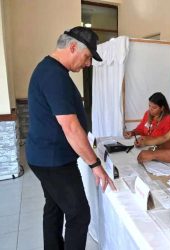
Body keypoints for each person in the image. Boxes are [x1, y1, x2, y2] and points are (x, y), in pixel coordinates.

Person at [26, 26, 116, 250]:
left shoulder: (50, 70)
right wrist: (95, 164)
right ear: (73, 47)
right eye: (87, 57)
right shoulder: (54, 75)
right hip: (53, 161)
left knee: (54, 206)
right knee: (79, 215)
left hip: (44, 156)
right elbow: (71, 127)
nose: (87, 64)